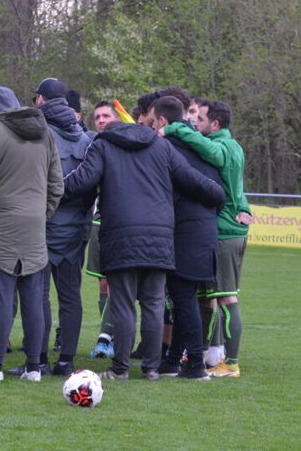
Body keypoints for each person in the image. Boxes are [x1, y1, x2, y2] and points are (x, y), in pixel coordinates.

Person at [64, 117, 224, 381]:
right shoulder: (161, 147)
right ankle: (151, 368)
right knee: (153, 304)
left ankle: (120, 369)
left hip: (120, 236)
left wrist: (48, 188)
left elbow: (82, 180)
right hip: (160, 238)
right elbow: (193, 180)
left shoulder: (104, 145)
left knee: (123, 304)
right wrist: (218, 196)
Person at [0, 86, 63, 383]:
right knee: (34, 298)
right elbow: (57, 186)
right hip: (34, 227)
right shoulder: (46, 134)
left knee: (1, 298)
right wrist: (40, 215)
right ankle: (34, 367)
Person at [164, 99, 253, 378]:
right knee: (212, 298)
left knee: (226, 298)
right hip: (230, 228)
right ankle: (205, 354)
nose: (195, 124)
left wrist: (175, 129)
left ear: (215, 124)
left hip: (225, 231)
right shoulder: (235, 147)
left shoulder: (222, 148)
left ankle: (231, 362)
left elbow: (207, 149)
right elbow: (237, 188)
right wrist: (245, 208)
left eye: (199, 119)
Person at [8, 78, 91, 378]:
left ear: (41, 100)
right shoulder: (85, 138)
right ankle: (66, 360)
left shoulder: (40, 135)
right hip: (75, 230)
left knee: (37, 294)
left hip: (42, 227)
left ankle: (38, 359)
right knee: (70, 296)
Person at [153, 96, 221, 380]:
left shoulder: (168, 149)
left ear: (161, 122)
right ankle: (172, 359)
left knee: (183, 298)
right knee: (184, 297)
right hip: (204, 230)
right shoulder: (202, 147)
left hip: (186, 231)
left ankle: (194, 362)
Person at [88, 100, 121, 359]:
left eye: (106, 115)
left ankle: (109, 337)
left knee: (119, 285)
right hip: (97, 223)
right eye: (97, 116)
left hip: (119, 223)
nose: (101, 120)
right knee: (103, 285)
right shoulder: (92, 145)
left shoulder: (124, 144)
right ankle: (107, 337)